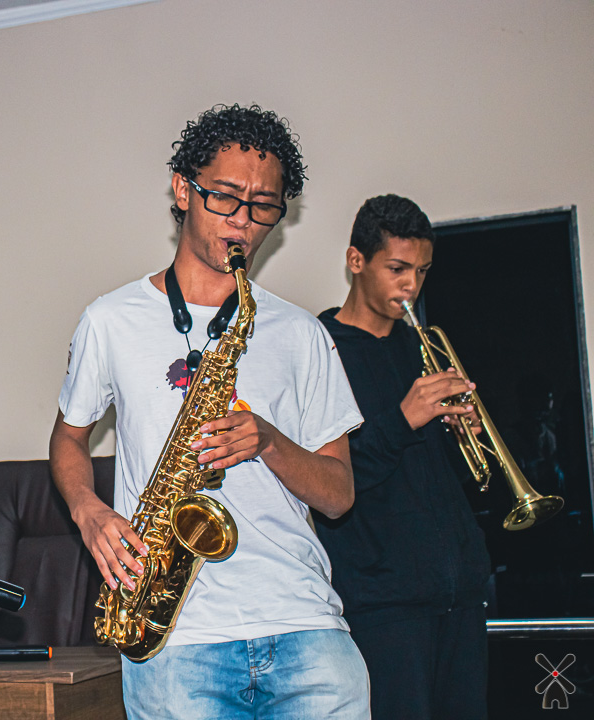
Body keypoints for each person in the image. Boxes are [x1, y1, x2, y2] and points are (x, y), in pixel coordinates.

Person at [49, 103, 370, 719]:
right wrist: (88, 511)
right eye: (225, 197)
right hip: (175, 638)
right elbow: (69, 438)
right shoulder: (110, 321)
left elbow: (339, 496)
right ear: (183, 190)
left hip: (305, 630)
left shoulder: (302, 333)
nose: (243, 221)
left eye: (263, 206)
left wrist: (269, 441)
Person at [316, 194, 491, 720]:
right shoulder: (320, 350)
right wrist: (402, 419)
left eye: (422, 270)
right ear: (356, 261)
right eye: (397, 268)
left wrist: (467, 439)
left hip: (460, 590)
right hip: (383, 603)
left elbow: (443, 480)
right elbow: (330, 482)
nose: (411, 284)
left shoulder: (423, 348)